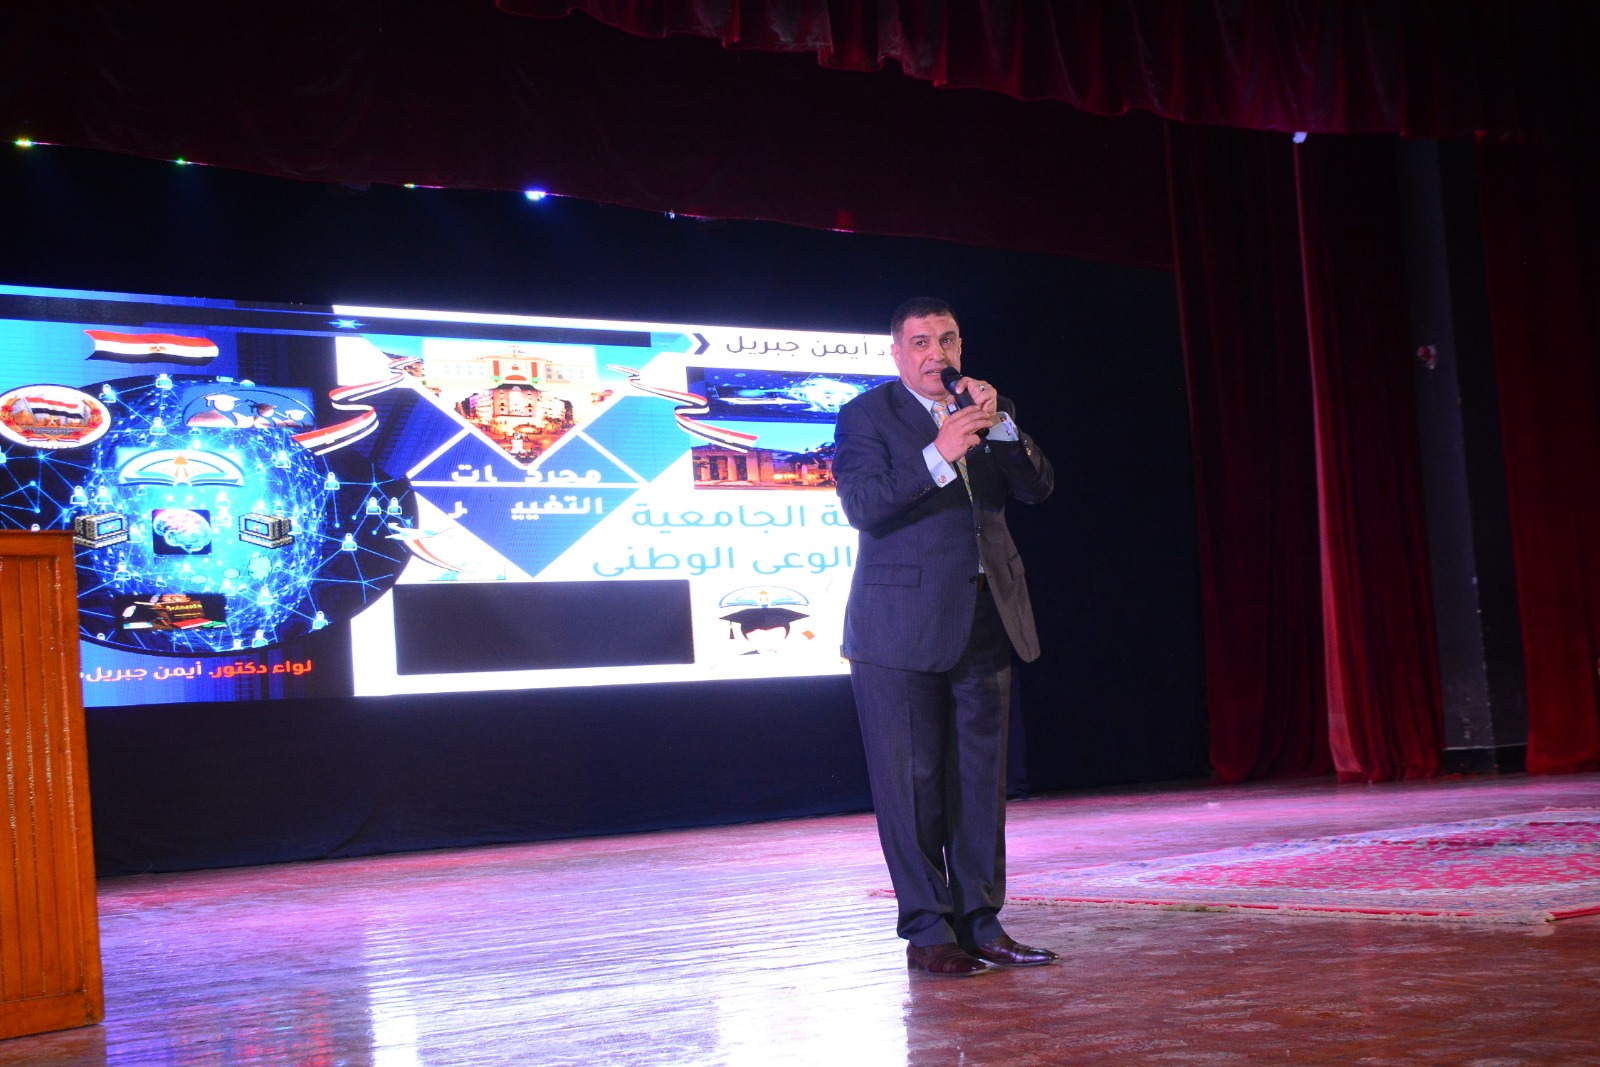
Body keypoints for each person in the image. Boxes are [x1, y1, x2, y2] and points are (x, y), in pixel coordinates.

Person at [833, 297, 1056, 977]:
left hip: (986, 615)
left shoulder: (988, 407)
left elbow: (1038, 487)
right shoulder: (866, 415)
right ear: (897, 353)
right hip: (898, 628)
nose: (938, 354)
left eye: (949, 339)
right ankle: (929, 930)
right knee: (913, 783)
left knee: (980, 783)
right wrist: (939, 452)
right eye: (922, 342)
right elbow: (862, 505)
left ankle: (982, 923)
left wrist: (1002, 427)